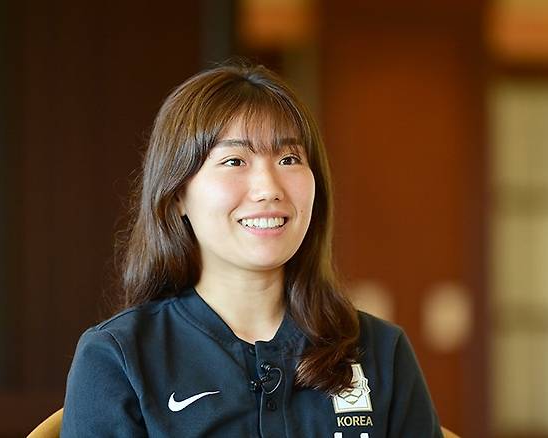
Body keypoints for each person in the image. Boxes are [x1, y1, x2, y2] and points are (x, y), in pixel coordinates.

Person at [61, 61, 443, 437]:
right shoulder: (120, 357)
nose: (269, 188)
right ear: (177, 194)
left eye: (289, 159)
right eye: (235, 161)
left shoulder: (380, 350)